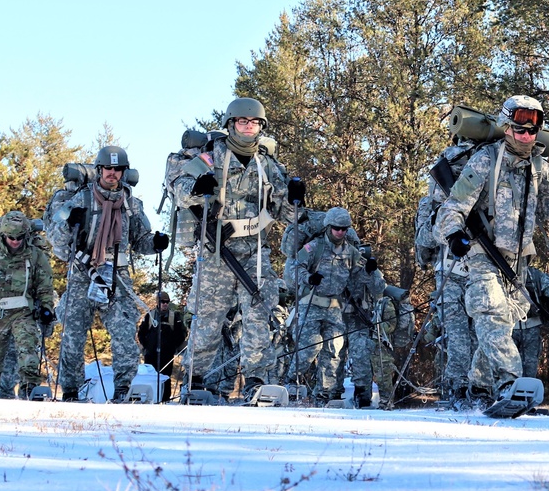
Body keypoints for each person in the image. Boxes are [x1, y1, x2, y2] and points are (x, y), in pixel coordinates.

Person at [434, 95, 549, 407]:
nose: (526, 136)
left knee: (501, 326)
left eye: (532, 131)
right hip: (482, 254)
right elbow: (453, 206)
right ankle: (511, 383)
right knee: (490, 315)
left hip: (518, 262)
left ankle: (479, 389)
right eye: (520, 130)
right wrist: (453, 235)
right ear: (506, 127)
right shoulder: (485, 161)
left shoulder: (541, 168)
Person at [173, 97, 303, 400]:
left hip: (255, 251)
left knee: (258, 316)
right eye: (243, 122)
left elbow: (286, 212)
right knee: (208, 319)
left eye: (254, 123)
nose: (248, 127)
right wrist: (196, 188)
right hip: (217, 250)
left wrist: (296, 199)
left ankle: (256, 383)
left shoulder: (267, 165)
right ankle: (195, 382)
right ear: (231, 124)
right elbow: (180, 189)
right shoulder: (211, 157)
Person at [48, 145, 168, 403]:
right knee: (73, 334)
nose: (112, 174)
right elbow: (56, 240)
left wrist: (156, 243)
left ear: (124, 172)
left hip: (118, 277)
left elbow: (140, 240)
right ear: (99, 170)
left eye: (118, 169)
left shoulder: (132, 204)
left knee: (125, 332)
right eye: (108, 169)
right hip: (83, 273)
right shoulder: (80, 199)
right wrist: (68, 224)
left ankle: (124, 389)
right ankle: (70, 390)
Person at [288, 207, 380, 405]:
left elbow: (358, 277)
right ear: (329, 227)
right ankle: (290, 384)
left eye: (344, 229)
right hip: (311, 304)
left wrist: (369, 271)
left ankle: (325, 394)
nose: (340, 232)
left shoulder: (351, 252)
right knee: (308, 348)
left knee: (334, 351)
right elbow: (296, 268)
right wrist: (309, 278)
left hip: (335, 308)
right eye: (337, 228)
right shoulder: (314, 247)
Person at [415, 138, 481, 407]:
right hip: (450, 270)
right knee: (457, 336)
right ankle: (456, 388)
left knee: (480, 334)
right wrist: (444, 223)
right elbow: (424, 242)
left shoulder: (488, 193)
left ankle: (479, 388)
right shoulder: (432, 200)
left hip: (479, 270)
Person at [0, 211, 56, 400]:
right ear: (3, 235)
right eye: (11, 237)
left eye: (19, 237)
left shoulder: (35, 255)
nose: (15, 241)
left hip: (22, 311)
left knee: (28, 351)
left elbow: (45, 285)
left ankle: (30, 391)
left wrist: (47, 308)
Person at [337, 241, 386, 408]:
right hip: (337, 317)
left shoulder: (367, 266)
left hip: (360, 318)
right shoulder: (336, 264)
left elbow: (379, 288)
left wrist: (371, 272)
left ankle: (363, 394)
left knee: (361, 355)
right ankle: (331, 392)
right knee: (334, 355)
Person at [137, 291, 187, 402]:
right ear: (157, 302)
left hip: (167, 354)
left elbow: (182, 333)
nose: (165, 304)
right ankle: (149, 398)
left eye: (167, 302)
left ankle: (164, 399)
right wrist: (146, 346)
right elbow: (141, 332)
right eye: (162, 302)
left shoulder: (174, 317)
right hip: (151, 354)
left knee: (165, 377)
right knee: (150, 376)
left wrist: (174, 345)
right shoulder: (150, 315)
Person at [515, 266, 549, 381]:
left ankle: (527, 395)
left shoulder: (534, 274)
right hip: (510, 326)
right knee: (508, 365)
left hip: (532, 326)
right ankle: (507, 394)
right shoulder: (500, 270)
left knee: (530, 364)